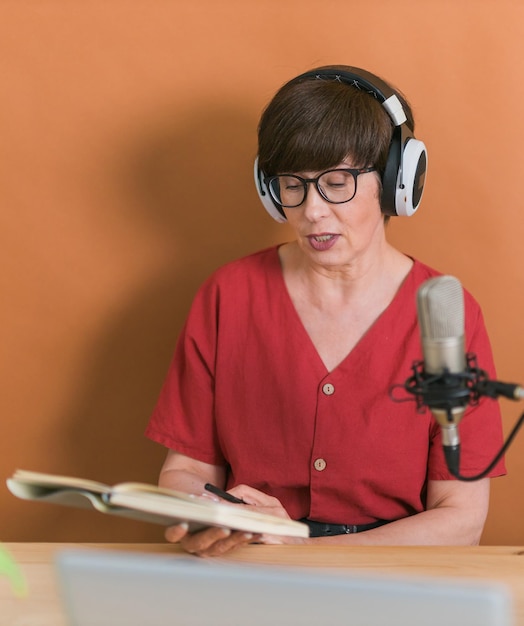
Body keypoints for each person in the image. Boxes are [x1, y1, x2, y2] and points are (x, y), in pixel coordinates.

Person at [145, 65, 506, 557]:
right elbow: (183, 474)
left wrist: (305, 545)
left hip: (392, 582)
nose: (312, 210)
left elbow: (461, 519)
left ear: (395, 180)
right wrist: (209, 514)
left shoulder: (446, 313)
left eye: (337, 182)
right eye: (292, 185)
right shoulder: (227, 295)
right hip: (255, 571)